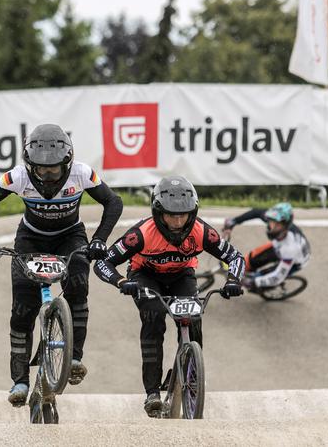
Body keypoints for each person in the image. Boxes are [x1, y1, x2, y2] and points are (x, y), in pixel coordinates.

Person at [0, 123, 123, 406]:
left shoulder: (82, 173)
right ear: (29, 165)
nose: (48, 177)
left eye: (55, 170)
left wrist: (99, 240)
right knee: (22, 310)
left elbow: (113, 202)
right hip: (30, 240)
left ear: (68, 163)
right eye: (41, 170)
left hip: (70, 237)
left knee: (78, 288)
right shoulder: (17, 176)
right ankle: (20, 381)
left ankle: (74, 358)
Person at [93, 176, 245, 417]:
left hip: (181, 275)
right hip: (145, 275)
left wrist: (233, 281)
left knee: (193, 318)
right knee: (153, 318)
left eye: (183, 215)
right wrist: (121, 281)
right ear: (158, 213)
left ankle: (190, 374)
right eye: (171, 215)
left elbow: (236, 258)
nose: (177, 221)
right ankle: (152, 393)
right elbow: (103, 263)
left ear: (192, 212)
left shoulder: (203, 232)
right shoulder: (140, 234)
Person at [222, 202, 310, 290]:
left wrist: (254, 282)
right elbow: (256, 212)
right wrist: (234, 221)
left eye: (277, 224)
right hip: (279, 246)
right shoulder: (275, 218)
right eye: (271, 221)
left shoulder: (290, 248)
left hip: (296, 260)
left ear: (285, 225)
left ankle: (263, 287)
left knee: (261, 278)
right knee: (251, 259)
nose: (271, 226)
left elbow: (277, 277)